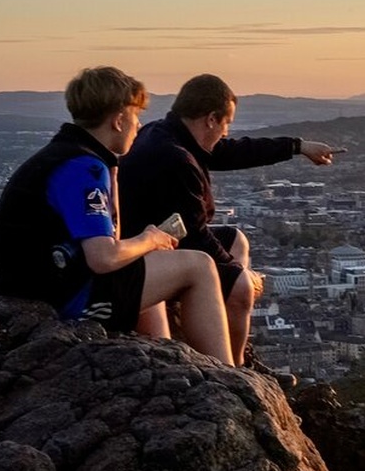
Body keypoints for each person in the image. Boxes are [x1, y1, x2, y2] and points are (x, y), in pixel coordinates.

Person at [0, 66, 236, 366]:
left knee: (142, 266)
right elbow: (103, 258)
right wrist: (149, 238)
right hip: (64, 298)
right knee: (200, 266)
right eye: (136, 115)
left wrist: (114, 168)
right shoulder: (83, 168)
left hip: (36, 287)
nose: (139, 124)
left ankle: (164, 359)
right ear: (119, 120)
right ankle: (226, 371)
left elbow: (111, 238)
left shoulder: (70, 155)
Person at [118, 74, 338, 377]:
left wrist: (298, 147)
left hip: (160, 238)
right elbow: (194, 234)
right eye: (226, 123)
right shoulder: (174, 158)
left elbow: (232, 151)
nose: (227, 131)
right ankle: (235, 372)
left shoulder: (169, 133)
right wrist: (240, 276)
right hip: (144, 253)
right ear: (211, 119)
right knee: (242, 287)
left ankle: (224, 336)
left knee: (236, 240)